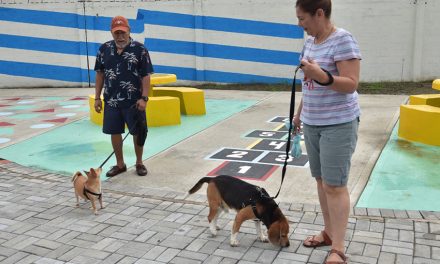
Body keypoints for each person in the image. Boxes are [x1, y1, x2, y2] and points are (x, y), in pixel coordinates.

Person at [294, 0, 361, 263]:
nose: (300, 24)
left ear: (319, 13)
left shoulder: (343, 40)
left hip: (338, 123)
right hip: (313, 121)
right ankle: (329, 233)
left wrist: (323, 76)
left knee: (335, 185)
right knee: (322, 181)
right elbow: (308, 81)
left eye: (303, 19)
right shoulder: (310, 42)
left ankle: (339, 248)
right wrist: (300, 113)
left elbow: (351, 84)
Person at [94, 16, 154, 177]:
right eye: (116, 33)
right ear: (112, 32)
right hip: (111, 100)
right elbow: (100, 74)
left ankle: (139, 162)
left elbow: (145, 76)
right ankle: (120, 164)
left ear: (129, 31)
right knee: (114, 132)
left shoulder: (140, 49)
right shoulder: (104, 49)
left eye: (123, 32)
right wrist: (97, 98)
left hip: (134, 101)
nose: (120, 36)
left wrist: (144, 98)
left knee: (138, 132)